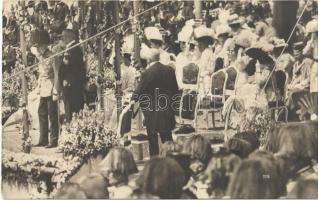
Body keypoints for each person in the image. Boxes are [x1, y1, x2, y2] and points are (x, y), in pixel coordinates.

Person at [131, 46, 179, 156]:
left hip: (152, 112)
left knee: (153, 141)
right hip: (167, 109)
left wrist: (132, 101)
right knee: (167, 139)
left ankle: (154, 163)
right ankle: (172, 159)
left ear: (148, 60)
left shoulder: (147, 73)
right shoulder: (170, 70)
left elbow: (138, 92)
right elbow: (175, 91)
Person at [30, 30, 59, 148]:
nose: (38, 49)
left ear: (45, 45)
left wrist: (56, 90)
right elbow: (41, 73)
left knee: (52, 114)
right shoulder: (40, 56)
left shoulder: (52, 56)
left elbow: (57, 73)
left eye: (39, 46)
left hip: (51, 86)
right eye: (37, 46)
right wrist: (38, 87)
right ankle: (43, 139)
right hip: (43, 88)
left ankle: (53, 140)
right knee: (41, 112)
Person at [58, 29, 86, 123]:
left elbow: (77, 69)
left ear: (70, 37)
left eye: (64, 36)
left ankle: (71, 130)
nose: (63, 38)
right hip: (69, 87)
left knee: (72, 111)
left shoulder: (74, 50)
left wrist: (69, 80)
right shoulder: (70, 49)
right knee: (69, 111)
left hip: (72, 88)